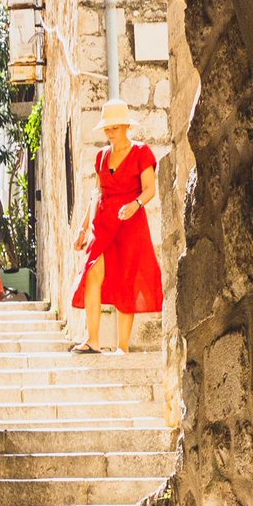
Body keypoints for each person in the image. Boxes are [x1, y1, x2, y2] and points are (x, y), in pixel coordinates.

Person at [71, 99, 163, 353]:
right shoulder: (101, 157)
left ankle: (123, 345)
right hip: (104, 223)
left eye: (114, 127)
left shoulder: (141, 152)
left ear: (125, 126)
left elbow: (150, 189)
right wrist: (83, 226)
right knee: (92, 274)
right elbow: (97, 193)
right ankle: (93, 341)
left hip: (131, 224)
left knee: (127, 278)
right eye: (107, 128)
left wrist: (135, 204)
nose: (110, 132)